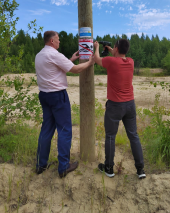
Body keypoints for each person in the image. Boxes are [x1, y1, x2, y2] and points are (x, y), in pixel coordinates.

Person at [35, 31, 95, 178]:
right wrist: (90, 62)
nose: (59, 41)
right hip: (57, 96)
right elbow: (75, 70)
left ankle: (40, 165)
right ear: (51, 41)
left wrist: (71, 59)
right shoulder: (54, 54)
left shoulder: (39, 55)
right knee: (64, 130)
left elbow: (55, 70)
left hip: (44, 95)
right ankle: (63, 166)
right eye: (58, 39)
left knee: (46, 130)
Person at [94, 39, 146, 179]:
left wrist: (97, 47)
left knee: (110, 136)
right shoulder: (130, 62)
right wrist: (111, 49)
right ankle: (140, 170)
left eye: (114, 48)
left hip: (115, 105)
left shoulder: (111, 61)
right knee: (133, 136)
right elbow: (118, 57)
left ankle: (109, 168)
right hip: (130, 104)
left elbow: (97, 59)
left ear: (116, 48)